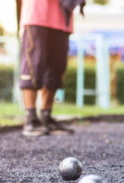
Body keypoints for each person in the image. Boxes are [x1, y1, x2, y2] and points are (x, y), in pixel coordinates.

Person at [17, 0, 85, 136]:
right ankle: (30, 118)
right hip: (37, 16)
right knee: (33, 66)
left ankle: (46, 116)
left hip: (62, 21)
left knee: (56, 69)